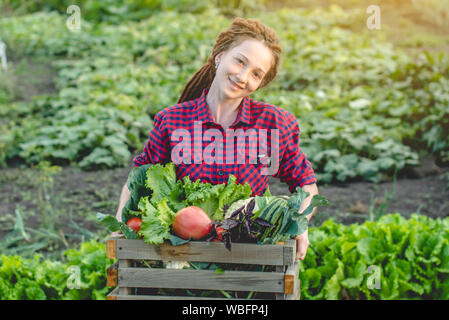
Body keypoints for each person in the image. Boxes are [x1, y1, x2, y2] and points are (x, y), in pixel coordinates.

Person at [114, 17, 319, 260]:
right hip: (181, 256)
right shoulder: (172, 121)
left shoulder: (272, 125)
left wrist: (300, 225)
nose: (243, 77)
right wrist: (121, 223)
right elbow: (138, 179)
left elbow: (306, 184)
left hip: (247, 258)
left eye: (256, 74)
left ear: (261, 83)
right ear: (220, 55)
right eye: (240, 61)